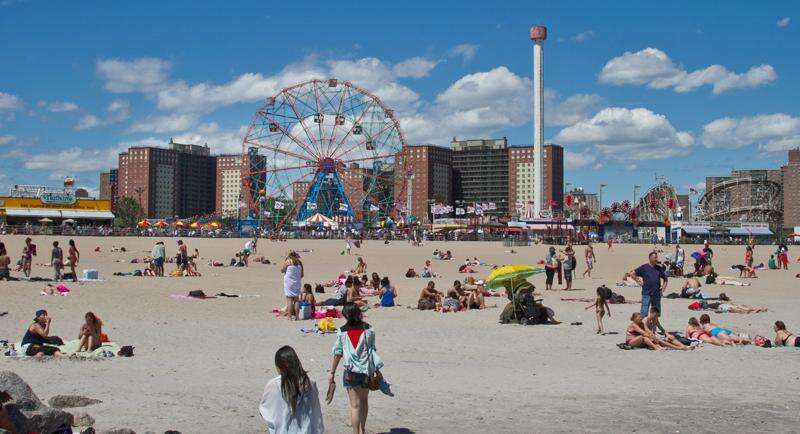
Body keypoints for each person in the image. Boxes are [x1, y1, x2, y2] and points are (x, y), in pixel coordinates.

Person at [330, 304, 386, 434]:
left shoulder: (342, 331)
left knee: (354, 406)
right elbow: (372, 349)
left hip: (350, 372)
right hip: (366, 371)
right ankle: (363, 429)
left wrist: (332, 373)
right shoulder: (369, 329)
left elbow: (338, 353)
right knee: (364, 401)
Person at [259, 345, 324, 434]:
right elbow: (315, 413)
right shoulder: (310, 383)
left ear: (279, 367)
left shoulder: (274, 384)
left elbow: (265, 412)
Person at [634, 252, 668, 317]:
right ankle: (643, 326)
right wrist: (638, 281)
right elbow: (632, 273)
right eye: (654, 257)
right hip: (646, 294)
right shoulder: (644, 267)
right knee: (644, 313)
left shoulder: (659, 268)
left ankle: (653, 327)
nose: (656, 259)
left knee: (656, 314)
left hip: (656, 294)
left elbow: (665, 279)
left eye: (656, 257)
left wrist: (663, 289)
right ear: (650, 258)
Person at [281, 251, 304, 320]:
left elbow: (282, 270)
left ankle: (289, 316)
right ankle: (297, 317)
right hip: (297, 282)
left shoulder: (288, 261)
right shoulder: (300, 263)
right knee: (296, 299)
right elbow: (302, 275)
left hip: (289, 282)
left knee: (289, 299)